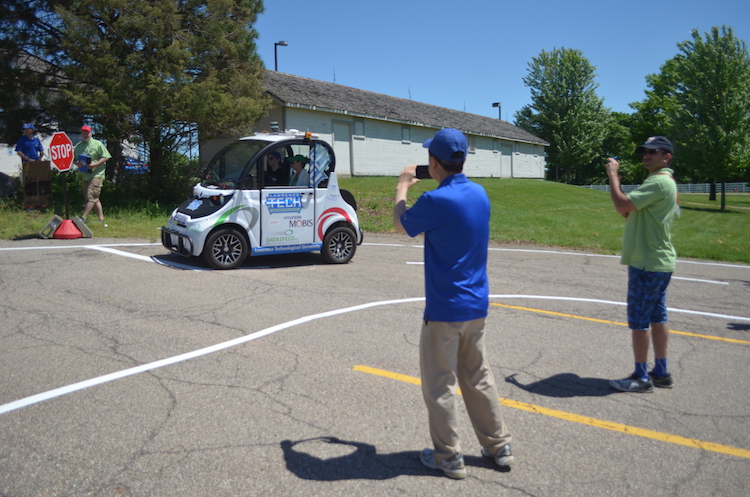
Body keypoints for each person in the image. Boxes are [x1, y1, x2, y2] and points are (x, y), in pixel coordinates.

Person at [393, 128, 514, 479]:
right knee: (479, 377)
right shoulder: (480, 194)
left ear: (434, 163)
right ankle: (498, 445)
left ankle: (448, 456)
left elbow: (401, 225)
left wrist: (402, 186)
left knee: (440, 383)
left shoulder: (436, 201)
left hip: (445, 308)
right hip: (476, 305)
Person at [605, 136, 678, 393]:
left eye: (653, 151)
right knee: (657, 315)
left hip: (647, 262)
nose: (646, 155)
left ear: (666, 156)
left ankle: (641, 377)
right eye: (644, 151)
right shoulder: (664, 181)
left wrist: (613, 176)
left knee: (639, 320)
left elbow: (621, 205)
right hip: (658, 260)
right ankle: (661, 371)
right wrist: (622, 194)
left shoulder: (658, 182)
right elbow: (628, 211)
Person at [73, 126, 111, 226]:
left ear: (91, 133)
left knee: (91, 195)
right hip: (84, 174)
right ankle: (101, 219)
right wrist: (77, 163)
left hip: (97, 173)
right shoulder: (78, 146)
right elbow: (75, 159)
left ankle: (83, 217)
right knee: (93, 197)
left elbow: (106, 157)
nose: (86, 135)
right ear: (81, 134)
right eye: (84, 133)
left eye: (87, 133)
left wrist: (95, 164)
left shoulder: (97, 144)